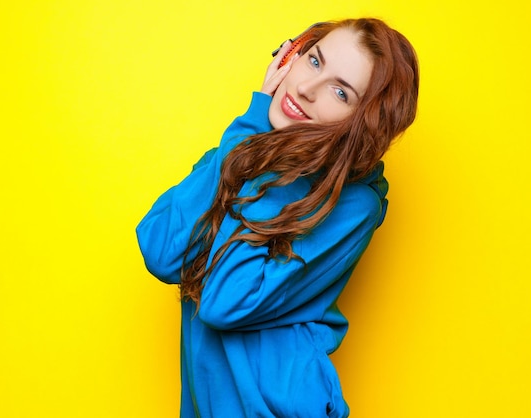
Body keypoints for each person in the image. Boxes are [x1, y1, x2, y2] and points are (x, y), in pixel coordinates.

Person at [136, 17, 419, 418]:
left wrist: (275, 159)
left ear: (361, 123)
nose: (305, 89)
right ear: (290, 54)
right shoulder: (248, 145)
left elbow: (224, 301)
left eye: (340, 92)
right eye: (314, 60)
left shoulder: (354, 205)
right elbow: (160, 248)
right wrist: (254, 136)